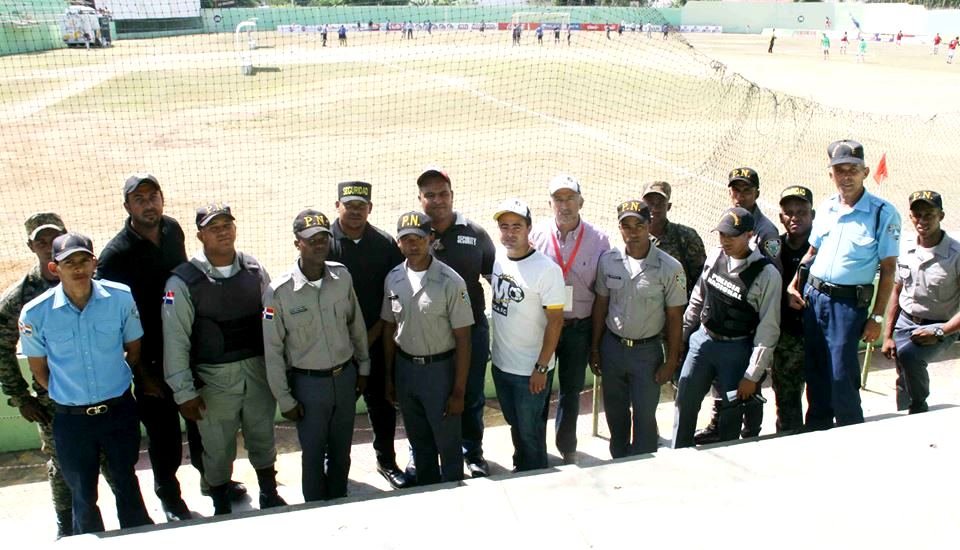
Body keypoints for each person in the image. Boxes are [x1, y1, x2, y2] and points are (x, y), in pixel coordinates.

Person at [20, 233, 154, 534]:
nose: (78, 268)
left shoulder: (120, 298)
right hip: (72, 420)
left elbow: (133, 349)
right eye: (69, 263)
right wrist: (71, 394)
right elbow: (39, 370)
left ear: (94, 262)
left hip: (118, 412)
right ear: (55, 269)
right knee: (82, 493)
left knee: (126, 482)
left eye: (83, 260)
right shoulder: (36, 313)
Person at [162, 203, 285, 515]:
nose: (222, 232)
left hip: (257, 371)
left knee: (262, 436)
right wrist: (184, 392)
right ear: (200, 234)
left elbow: (273, 323)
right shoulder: (183, 281)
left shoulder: (254, 269)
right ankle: (220, 505)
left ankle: (270, 493)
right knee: (217, 448)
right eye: (213, 227)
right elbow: (175, 341)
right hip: (214, 380)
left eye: (227, 225)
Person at [96, 174, 194, 522]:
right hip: (150, 360)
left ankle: (216, 485)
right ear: (127, 207)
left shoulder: (173, 230)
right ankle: (169, 494)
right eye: (139, 199)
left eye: (153, 196)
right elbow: (114, 322)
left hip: (187, 348)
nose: (148, 203)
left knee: (201, 426)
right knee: (164, 434)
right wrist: (142, 373)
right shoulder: (115, 256)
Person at [786, 140, 901, 430]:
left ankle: (852, 434)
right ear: (831, 175)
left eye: (853, 170)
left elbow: (888, 271)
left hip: (847, 306)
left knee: (841, 376)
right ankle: (817, 431)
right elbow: (811, 254)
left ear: (866, 172)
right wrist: (793, 285)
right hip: (814, 299)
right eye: (840, 170)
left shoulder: (882, 213)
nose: (846, 176)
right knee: (817, 373)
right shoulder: (826, 207)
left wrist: (877, 317)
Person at [263, 210, 369, 501]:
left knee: (341, 450)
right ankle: (315, 508)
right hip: (308, 387)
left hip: (344, 378)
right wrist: (285, 399)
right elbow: (272, 351)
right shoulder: (279, 292)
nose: (319, 244)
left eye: (324, 238)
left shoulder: (341, 277)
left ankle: (338, 499)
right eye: (311, 240)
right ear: (298, 243)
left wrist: (363, 369)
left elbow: (355, 325)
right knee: (312, 454)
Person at [672, 208, 781, 448]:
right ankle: (678, 452)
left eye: (732, 235)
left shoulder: (767, 274)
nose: (725, 241)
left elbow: (768, 329)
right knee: (685, 400)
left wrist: (752, 375)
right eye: (722, 234)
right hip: (702, 342)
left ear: (750, 235)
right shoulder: (715, 256)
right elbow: (697, 300)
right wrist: (681, 337)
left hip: (736, 351)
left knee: (731, 415)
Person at [326, 181, 408, 489]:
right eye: (349, 205)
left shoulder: (385, 244)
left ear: (370, 208)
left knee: (382, 405)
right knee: (337, 412)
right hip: (336, 347)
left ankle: (386, 460)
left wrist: (370, 338)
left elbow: (394, 296)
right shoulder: (325, 243)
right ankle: (334, 468)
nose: (355, 211)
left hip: (376, 342)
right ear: (338, 206)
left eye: (362, 205)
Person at [382, 212, 473, 485]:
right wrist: (390, 378)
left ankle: (456, 496)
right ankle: (429, 492)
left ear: (430, 239)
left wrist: (458, 391)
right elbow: (389, 329)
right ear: (399, 243)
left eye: (419, 238)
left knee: (448, 445)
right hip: (406, 370)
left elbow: (464, 339)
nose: (413, 245)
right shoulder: (394, 278)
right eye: (406, 239)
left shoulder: (450, 281)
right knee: (419, 442)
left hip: (440, 372)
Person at [416, 167, 496, 477]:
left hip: (472, 331)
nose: (438, 200)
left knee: (471, 395)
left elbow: (495, 279)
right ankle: (421, 454)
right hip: (428, 336)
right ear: (420, 199)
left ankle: (472, 453)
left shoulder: (475, 234)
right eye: (430, 195)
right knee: (426, 399)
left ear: (453, 195)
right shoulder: (412, 236)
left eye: (443, 193)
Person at [591, 200, 686, 457]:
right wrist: (595, 348)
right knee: (615, 412)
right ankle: (619, 459)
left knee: (644, 416)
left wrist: (671, 361)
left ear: (649, 226)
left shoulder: (670, 267)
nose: (632, 232)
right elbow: (601, 305)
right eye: (626, 226)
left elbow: (675, 317)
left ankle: (643, 466)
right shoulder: (608, 260)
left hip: (647, 353)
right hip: (613, 348)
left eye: (639, 225)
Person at [694, 167, 781, 444]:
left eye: (746, 190)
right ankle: (719, 424)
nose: (740, 196)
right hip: (727, 316)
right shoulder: (729, 220)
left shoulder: (765, 232)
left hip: (750, 323)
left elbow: (770, 277)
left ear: (757, 193)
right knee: (724, 383)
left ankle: (750, 432)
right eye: (736, 190)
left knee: (749, 386)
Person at [0, 213, 73, 537]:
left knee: (111, 464)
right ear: (31, 245)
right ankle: (67, 526)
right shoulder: (20, 297)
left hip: (96, 394)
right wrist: (21, 398)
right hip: (52, 401)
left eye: (54, 238)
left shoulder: (85, 277)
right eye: (41, 241)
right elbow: (1, 348)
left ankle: (130, 525)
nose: (48, 246)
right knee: (61, 468)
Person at [530, 175, 610, 465]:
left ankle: (567, 447)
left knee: (571, 390)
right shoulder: (535, 235)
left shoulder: (599, 240)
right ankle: (535, 448)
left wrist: (596, 341)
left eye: (570, 198)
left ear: (581, 202)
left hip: (578, 328)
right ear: (550, 203)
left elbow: (603, 290)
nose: (564, 205)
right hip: (543, 327)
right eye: (558, 199)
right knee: (538, 388)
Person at [491, 199, 565, 471]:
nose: (510, 233)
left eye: (517, 226)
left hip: (530, 371)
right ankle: (521, 466)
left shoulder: (547, 270)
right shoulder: (499, 259)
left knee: (530, 432)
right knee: (517, 427)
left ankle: (534, 476)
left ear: (529, 229)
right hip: (501, 366)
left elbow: (556, 323)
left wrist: (541, 367)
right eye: (504, 227)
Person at [882, 191, 960, 414]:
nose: (922, 221)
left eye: (929, 215)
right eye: (917, 215)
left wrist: (939, 332)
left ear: (941, 216)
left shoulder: (956, 255)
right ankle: (904, 412)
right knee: (902, 369)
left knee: (911, 358)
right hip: (905, 322)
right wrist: (887, 336)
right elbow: (897, 292)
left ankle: (918, 408)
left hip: (940, 325)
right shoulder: (905, 248)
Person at [771, 186, 815, 433]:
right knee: (787, 403)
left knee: (820, 398)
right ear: (781, 217)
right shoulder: (773, 248)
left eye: (802, 212)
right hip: (786, 337)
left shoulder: (824, 247)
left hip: (817, 334)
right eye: (789, 212)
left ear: (813, 214)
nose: (794, 217)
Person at [642, 181, 706, 298]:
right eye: (650, 203)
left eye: (660, 203)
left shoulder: (686, 237)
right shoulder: (636, 237)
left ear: (669, 206)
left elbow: (701, 279)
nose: (654, 209)